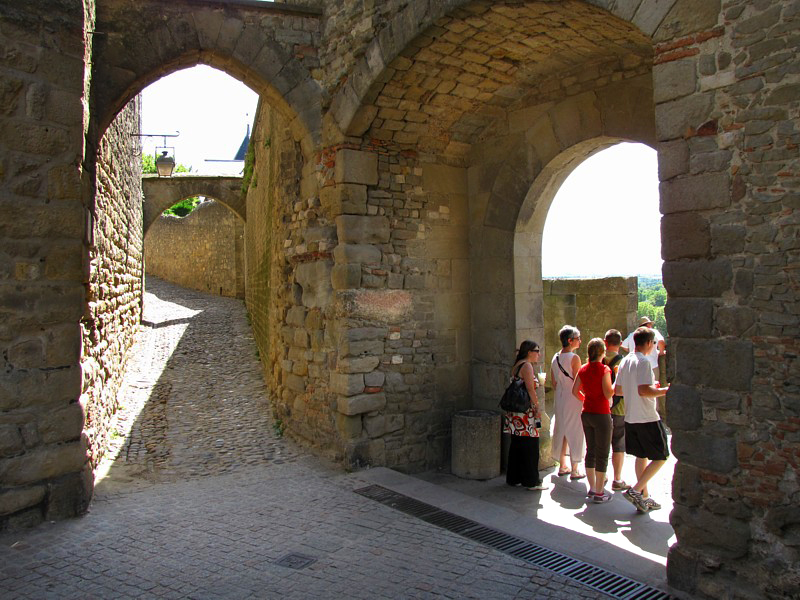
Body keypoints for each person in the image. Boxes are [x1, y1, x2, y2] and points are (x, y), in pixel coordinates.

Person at [614, 327, 670, 513]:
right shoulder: (644, 362)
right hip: (647, 417)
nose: (654, 347)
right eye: (654, 343)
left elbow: (619, 390)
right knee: (661, 456)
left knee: (641, 456)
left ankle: (644, 498)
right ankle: (637, 490)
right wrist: (664, 390)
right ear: (648, 343)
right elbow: (644, 391)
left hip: (630, 417)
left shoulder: (625, 361)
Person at [571, 338, 614, 502]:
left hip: (587, 412)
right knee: (603, 453)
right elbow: (608, 393)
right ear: (602, 352)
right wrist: (615, 387)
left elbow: (575, 391)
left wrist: (586, 399)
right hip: (601, 412)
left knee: (591, 450)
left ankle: (592, 487)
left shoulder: (583, 369)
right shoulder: (604, 370)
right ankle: (599, 491)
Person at [503, 340, 549, 491]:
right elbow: (530, 389)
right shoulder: (527, 366)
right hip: (526, 413)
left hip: (515, 413)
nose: (539, 354)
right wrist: (537, 408)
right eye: (537, 351)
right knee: (530, 446)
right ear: (529, 352)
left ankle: (514, 477)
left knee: (517, 445)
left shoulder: (517, 365)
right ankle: (531, 481)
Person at [550, 325, 585, 479]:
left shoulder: (555, 357)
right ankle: (575, 468)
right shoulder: (574, 358)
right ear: (570, 341)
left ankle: (562, 464)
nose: (580, 341)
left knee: (562, 428)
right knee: (575, 430)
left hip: (560, 396)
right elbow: (580, 380)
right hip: (573, 397)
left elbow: (554, 382)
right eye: (577, 338)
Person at [604, 329, 629, 491]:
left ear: (605, 342)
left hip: (602, 407)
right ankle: (617, 478)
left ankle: (601, 474)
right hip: (619, 407)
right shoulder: (624, 362)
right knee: (619, 443)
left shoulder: (597, 360)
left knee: (602, 443)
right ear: (620, 344)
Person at [621, 316, 665, 381]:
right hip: (652, 365)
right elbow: (661, 341)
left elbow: (623, 345)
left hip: (635, 366)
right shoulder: (653, 332)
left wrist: (631, 350)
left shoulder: (633, 334)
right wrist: (661, 352)